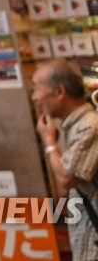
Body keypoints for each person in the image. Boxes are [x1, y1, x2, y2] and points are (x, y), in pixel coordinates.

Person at [32, 60, 98, 261]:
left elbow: (66, 178)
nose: (35, 96)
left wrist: (49, 142)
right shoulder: (76, 128)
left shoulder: (89, 127)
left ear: (59, 91)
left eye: (36, 88)